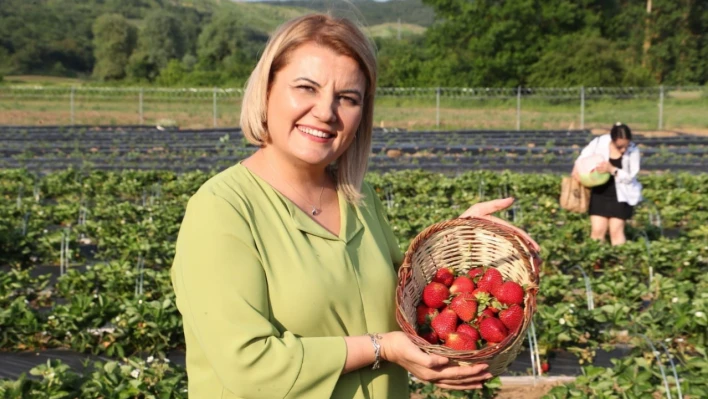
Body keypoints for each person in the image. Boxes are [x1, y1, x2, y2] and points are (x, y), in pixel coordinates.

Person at [170, 13, 540, 399]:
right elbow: (247, 365)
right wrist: (381, 347)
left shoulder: (357, 198)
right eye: (306, 88)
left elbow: (409, 304)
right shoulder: (223, 210)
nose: (326, 112)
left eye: (347, 98)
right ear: (267, 90)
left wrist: (460, 243)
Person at [573, 122, 643, 245]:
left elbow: (630, 177)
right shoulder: (599, 143)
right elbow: (582, 157)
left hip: (621, 196)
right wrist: (577, 169)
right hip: (600, 193)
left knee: (616, 232)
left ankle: (620, 262)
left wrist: (612, 170)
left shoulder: (633, 151)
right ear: (612, 140)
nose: (623, 150)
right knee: (597, 232)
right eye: (620, 146)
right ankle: (596, 261)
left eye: (626, 146)